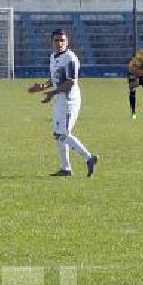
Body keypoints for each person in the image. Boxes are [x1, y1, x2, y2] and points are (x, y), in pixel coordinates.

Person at [27, 29, 99, 177]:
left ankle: (88, 158)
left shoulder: (70, 58)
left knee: (61, 133)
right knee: (58, 133)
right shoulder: (54, 56)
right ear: (51, 42)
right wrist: (42, 87)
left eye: (62, 40)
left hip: (69, 100)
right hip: (60, 98)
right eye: (56, 40)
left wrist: (52, 93)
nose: (59, 43)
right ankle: (66, 168)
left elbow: (70, 82)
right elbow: (55, 78)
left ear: (67, 42)